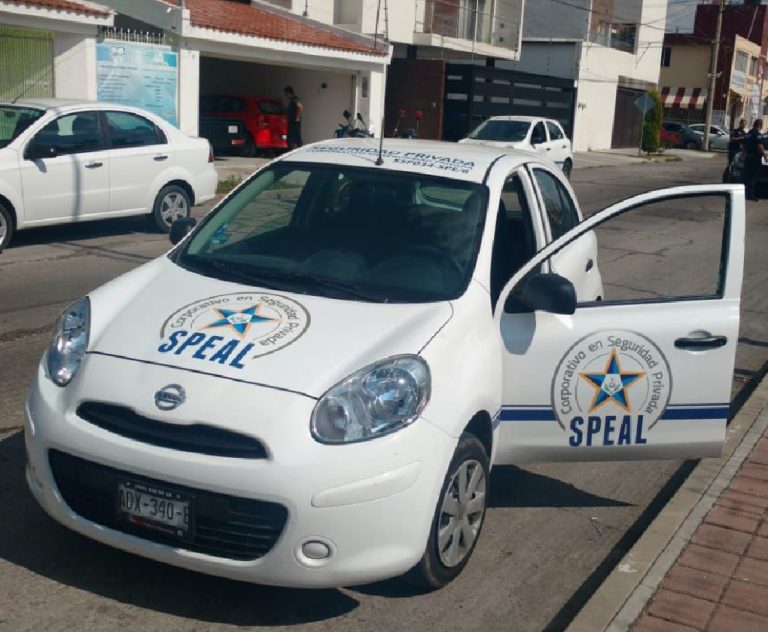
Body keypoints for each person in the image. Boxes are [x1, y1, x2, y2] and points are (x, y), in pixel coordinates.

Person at [742, 119, 765, 201]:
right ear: (760, 125)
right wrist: (765, 156)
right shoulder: (757, 134)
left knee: (747, 177)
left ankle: (745, 194)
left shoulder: (748, 134)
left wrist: (743, 156)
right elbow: (760, 147)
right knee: (753, 177)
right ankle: (751, 195)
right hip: (755, 158)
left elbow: (744, 147)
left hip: (748, 158)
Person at [284, 86, 303, 150]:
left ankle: (294, 151)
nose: (286, 96)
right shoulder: (292, 100)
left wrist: (297, 117)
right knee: (295, 138)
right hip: (293, 122)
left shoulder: (295, 99)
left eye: (286, 94)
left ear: (290, 93)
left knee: (293, 138)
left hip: (294, 122)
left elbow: (299, 107)